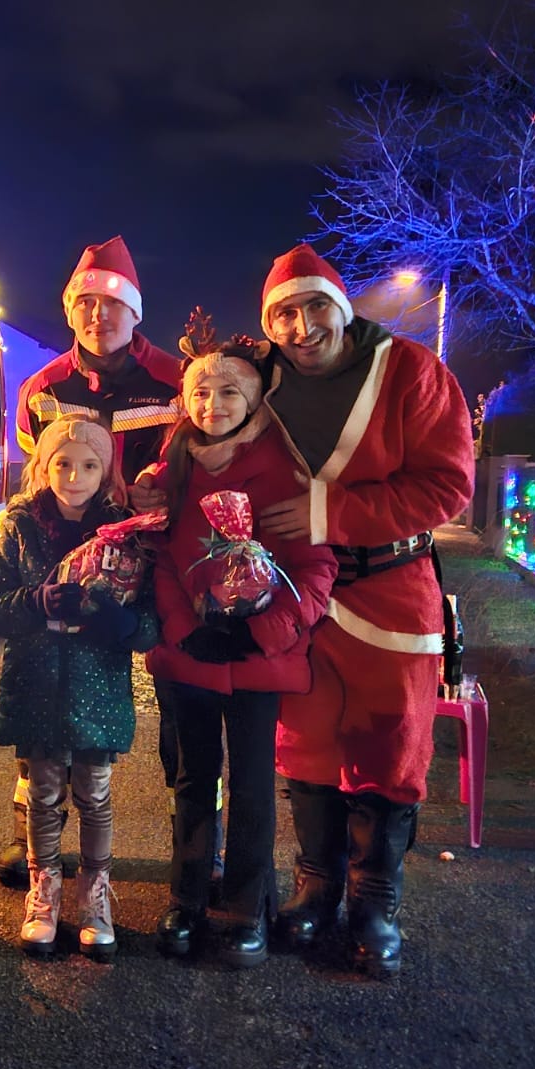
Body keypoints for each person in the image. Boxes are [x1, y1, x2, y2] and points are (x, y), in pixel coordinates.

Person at [255, 244, 474, 977]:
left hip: (390, 591)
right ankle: (315, 889)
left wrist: (330, 511)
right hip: (296, 596)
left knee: (389, 749)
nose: (303, 327)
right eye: (285, 314)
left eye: (317, 306)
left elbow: (447, 486)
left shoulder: (412, 372)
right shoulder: (259, 378)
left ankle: (374, 903)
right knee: (305, 742)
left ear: (343, 308)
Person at [0, 235, 182, 888]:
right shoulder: (43, 388)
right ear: (70, 310)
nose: (98, 315)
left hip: (153, 561)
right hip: (64, 559)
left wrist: (162, 491)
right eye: (85, 303)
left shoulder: (177, 383)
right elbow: (35, 476)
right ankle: (28, 838)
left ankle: (195, 845)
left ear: (135, 311)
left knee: (173, 702)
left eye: (112, 304)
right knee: (44, 700)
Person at [146, 339, 337, 968]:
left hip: (258, 657)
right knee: (193, 780)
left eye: (230, 391)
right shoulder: (173, 467)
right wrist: (184, 630)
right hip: (192, 654)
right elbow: (162, 557)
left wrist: (264, 632)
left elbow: (314, 568)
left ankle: (246, 905)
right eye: (200, 392)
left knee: (254, 785)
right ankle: (187, 898)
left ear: (255, 399)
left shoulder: (284, 468)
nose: (213, 404)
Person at [0, 419, 159, 960]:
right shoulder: (21, 525)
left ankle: (95, 895)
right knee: (43, 793)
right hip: (37, 683)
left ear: (106, 473)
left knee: (95, 795)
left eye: (89, 465)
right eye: (63, 463)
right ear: (44, 466)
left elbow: (149, 617)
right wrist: (35, 601)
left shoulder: (125, 532)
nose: (75, 476)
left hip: (96, 686)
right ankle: (44, 891)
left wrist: (122, 624)